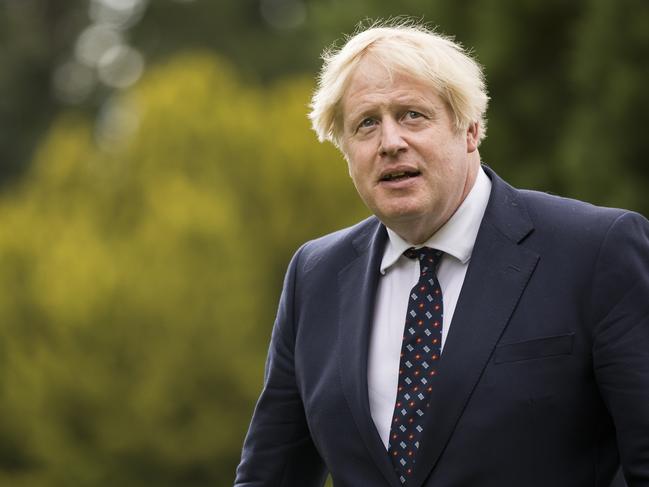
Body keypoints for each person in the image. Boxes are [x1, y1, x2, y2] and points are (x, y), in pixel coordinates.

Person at [234, 20, 649, 487]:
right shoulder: (315, 275)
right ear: (346, 151)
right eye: (366, 123)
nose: (390, 142)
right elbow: (270, 475)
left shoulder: (596, 250)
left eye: (412, 114)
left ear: (470, 130)